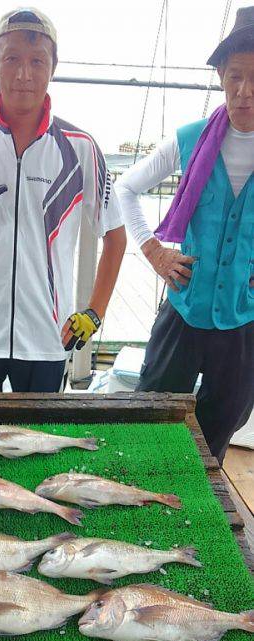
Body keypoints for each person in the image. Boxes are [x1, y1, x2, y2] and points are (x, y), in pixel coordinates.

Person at [0, 8, 126, 392]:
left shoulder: (81, 148)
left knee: (40, 444)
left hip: (47, 336)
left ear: (53, 66)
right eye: (12, 59)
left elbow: (115, 237)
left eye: (37, 61)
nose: (23, 74)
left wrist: (94, 313)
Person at [116, 5, 254, 465]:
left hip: (243, 320)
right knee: (150, 413)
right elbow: (126, 188)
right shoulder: (190, 138)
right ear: (220, 75)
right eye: (235, 76)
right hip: (184, 306)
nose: (245, 92)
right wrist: (154, 251)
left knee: (222, 423)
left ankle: (197, 505)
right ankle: (139, 492)